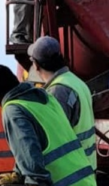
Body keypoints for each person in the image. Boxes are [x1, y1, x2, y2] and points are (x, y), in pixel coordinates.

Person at [27, 36, 97, 170]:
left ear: (36, 65)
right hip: (85, 167)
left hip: (71, 172)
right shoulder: (76, 82)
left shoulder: (58, 91)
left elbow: (53, 138)